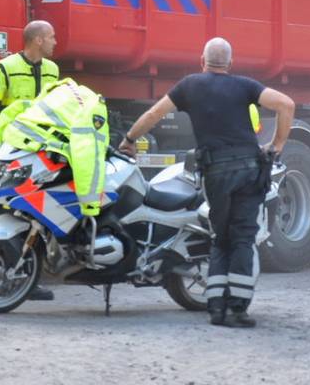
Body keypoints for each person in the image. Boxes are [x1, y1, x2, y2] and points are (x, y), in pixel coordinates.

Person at [123, 37, 294, 328]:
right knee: (242, 237)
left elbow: (154, 114)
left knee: (220, 237)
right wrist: (276, 145)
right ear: (230, 63)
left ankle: (216, 308)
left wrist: (129, 140)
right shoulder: (245, 85)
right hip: (249, 171)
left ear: (202, 62)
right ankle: (238, 310)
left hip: (215, 173)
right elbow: (285, 104)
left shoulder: (190, 86)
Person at [0, 19, 60, 300]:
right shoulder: (4, 69)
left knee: (35, 215)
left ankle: (29, 280)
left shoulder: (52, 70)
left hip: (40, 154)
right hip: (12, 154)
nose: (55, 42)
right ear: (37, 40)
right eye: (51, 37)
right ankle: (1, 270)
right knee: (2, 210)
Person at [0, 78, 109, 216]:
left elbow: (8, 113)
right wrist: (90, 205)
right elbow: (87, 151)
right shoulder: (95, 106)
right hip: (39, 147)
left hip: (13, 141)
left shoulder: (57, 93)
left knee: (17, 195)